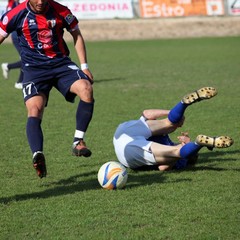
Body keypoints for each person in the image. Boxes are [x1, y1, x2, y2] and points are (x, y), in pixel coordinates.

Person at [0, 0, 94, 178]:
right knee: (35, 109)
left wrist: (84, 66)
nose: (41, 2)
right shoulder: (16, 14)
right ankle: (38, 155)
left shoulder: (61, 11)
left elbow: (77, 34)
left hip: (61, 65)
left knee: (86, 88)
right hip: (34, 70)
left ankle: (78, 141)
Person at [113, 87, 234, 171]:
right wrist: (181, 149)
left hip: (123, 132)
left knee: (170, 125)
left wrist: (176, 157)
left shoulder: (178, 158)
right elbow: (147, 114)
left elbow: (147, 113)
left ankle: (183, 103)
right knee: (175, 146)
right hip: (127, 152)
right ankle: (198, 143)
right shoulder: (165, 139)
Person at [1, 0, 23, 89]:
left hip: (18, 34)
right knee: (27, 58)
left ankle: (20, 81)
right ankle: (19, 81)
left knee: (26, 58)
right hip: (17, 35)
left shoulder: (16, 3)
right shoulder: (12, 3)